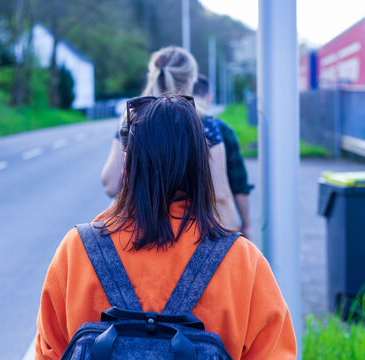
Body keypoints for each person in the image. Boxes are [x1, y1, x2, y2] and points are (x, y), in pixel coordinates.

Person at [35, 95, 296, 359]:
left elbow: (48, 352)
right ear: (200, 163)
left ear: (128, 161)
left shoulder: (77, 251)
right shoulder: (242, 262)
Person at [101, 46, 238, 230]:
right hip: (190, 230)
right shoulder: (203, 121)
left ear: (153, 76)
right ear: (190, 79)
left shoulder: (132, 116)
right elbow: (220, 195)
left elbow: (110, 184)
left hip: (137, 228)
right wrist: (233, 239)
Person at [193, 74, 254, 237]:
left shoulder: (163, 126)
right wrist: (245, 224)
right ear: (209, 97)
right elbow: (238, 184)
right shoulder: (220, 130)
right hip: (215, 224)